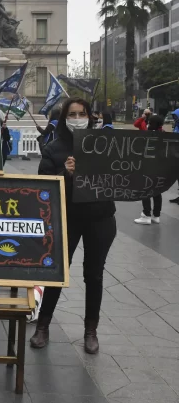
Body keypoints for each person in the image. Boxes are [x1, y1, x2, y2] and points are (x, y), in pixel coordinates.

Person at [30, 98, 117, 354]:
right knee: (58, 273)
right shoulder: (54, 149)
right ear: (64, 118)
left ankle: (91, 331)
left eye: (82, 113)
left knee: (94, 274)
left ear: (90, 116)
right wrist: (65, 175)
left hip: (100, 218)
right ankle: (43, 327)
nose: (77, 118)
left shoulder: (105, 146)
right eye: (72, 114)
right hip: (67, 219)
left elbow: (119, 175)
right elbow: (43, 188)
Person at [135, 114, 165, 225]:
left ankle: (146, 215)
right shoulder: (164, 135)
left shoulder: (148, 135)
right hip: (160, 168)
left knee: (145, 190)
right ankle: (156, 215)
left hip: (147, 167)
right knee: (157, 191)